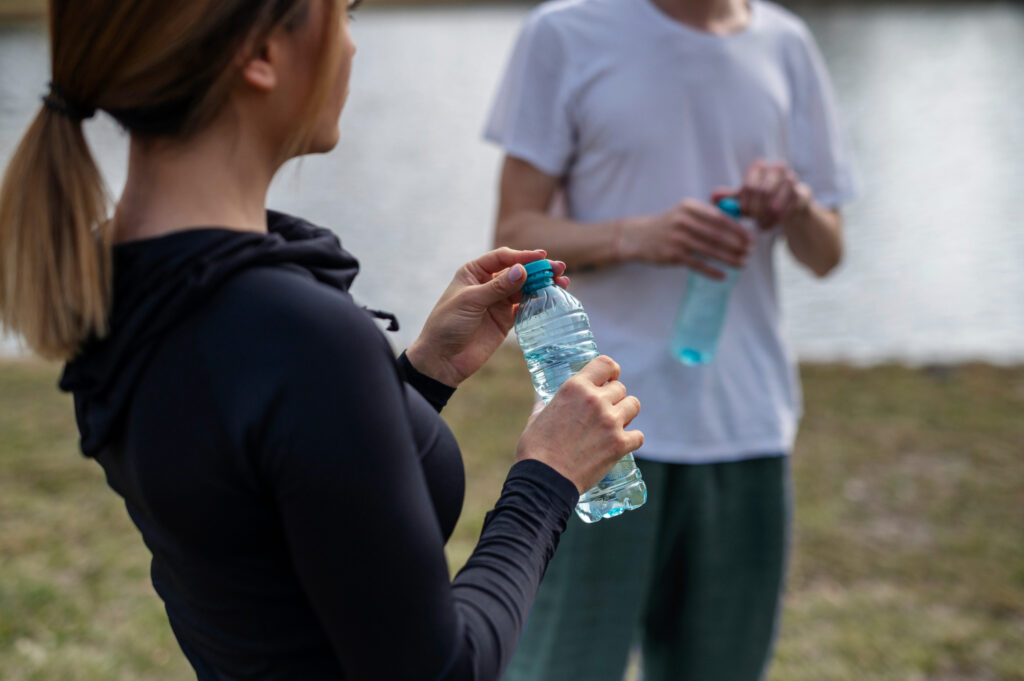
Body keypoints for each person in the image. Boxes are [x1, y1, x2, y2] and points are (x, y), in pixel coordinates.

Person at [0, 1, 646, 679]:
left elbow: (273, 512)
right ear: (260, 56)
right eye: (343, 14)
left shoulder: (128, 278)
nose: (352, 47)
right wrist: (547, 476)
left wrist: (423, 375)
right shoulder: (294, 331)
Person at [485, 0, 858, 679]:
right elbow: (513, 237)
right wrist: (634, 237)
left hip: (748, 429)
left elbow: (827, 252)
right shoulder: (565, 32)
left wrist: (796, 203)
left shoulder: (787, 43)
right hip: (596, 429)